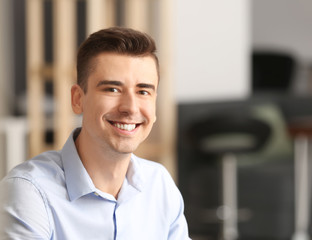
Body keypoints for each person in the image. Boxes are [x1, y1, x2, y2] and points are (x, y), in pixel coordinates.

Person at [0, 27, 190, 240]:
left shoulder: (160, 184)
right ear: (77, 99)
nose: (131, 107)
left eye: (143, 91)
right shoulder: (30, 191)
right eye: (112, 89)